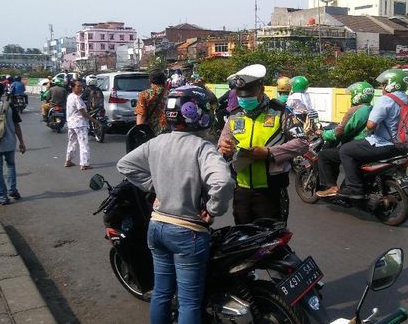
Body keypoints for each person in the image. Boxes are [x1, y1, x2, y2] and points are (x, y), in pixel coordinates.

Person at [117, 85, 234, 324]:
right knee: (189, 301)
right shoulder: (203, 148)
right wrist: (213, 211)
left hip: (157, 227)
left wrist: (153, 187)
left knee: (161, 292)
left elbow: (125, 165)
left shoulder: (156, 143)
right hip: (187, 232)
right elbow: (222, 182)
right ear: (196, 113)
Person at [218, 64, 308, 224]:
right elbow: (222, 145)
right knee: (243, 239)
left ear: (262, 89)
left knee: (271, 242)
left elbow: (302, 142)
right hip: (241, 191)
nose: (244, 98)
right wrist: (224, 148)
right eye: (240, 94)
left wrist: (269, 153)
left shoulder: (280, 113)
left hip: (271, 191)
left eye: (248, 93)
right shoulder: (234, 115)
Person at [338, 69, 408, 199]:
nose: (382, 87)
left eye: (384, 84)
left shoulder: (386, 100)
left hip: (385, 144)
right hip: (404, 145)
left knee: (345, 150)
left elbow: (371, 125)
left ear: (392, 84)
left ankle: (355, 188)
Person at [316, 81, 375, 197]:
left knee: (324, 156)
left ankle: (331, 187)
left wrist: (323, 133)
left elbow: (340, 131)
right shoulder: (371, 108)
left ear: (357, 95)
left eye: (353, 94)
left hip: (355, 145)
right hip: (369, 145)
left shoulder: (355, 110)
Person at [0, 81, 26, 205]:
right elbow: (17, 125)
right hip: (9, 143)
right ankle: (12, 190)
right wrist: (21, 142)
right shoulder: (9, 106)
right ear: (2, 93)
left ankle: (3, 197)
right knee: (11, 166)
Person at [64, 82, 98, 170]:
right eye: (78, 86)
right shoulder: (76, 98)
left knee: (72, 142)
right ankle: (84, 164)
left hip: (71, 123)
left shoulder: (70, 96)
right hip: (79, 124)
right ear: (73, 87)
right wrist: (94, 120)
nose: (80, 88)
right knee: (83, 143)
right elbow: (83, 113)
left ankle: (68, 160)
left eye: (81, 86)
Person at [135, 69, 169, 136]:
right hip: (168, 132)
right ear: (164, 81)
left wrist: (140, 132)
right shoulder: (171, 94)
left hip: (151, 133)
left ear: (150, 80)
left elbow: (141, 115)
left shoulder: (144, 95)